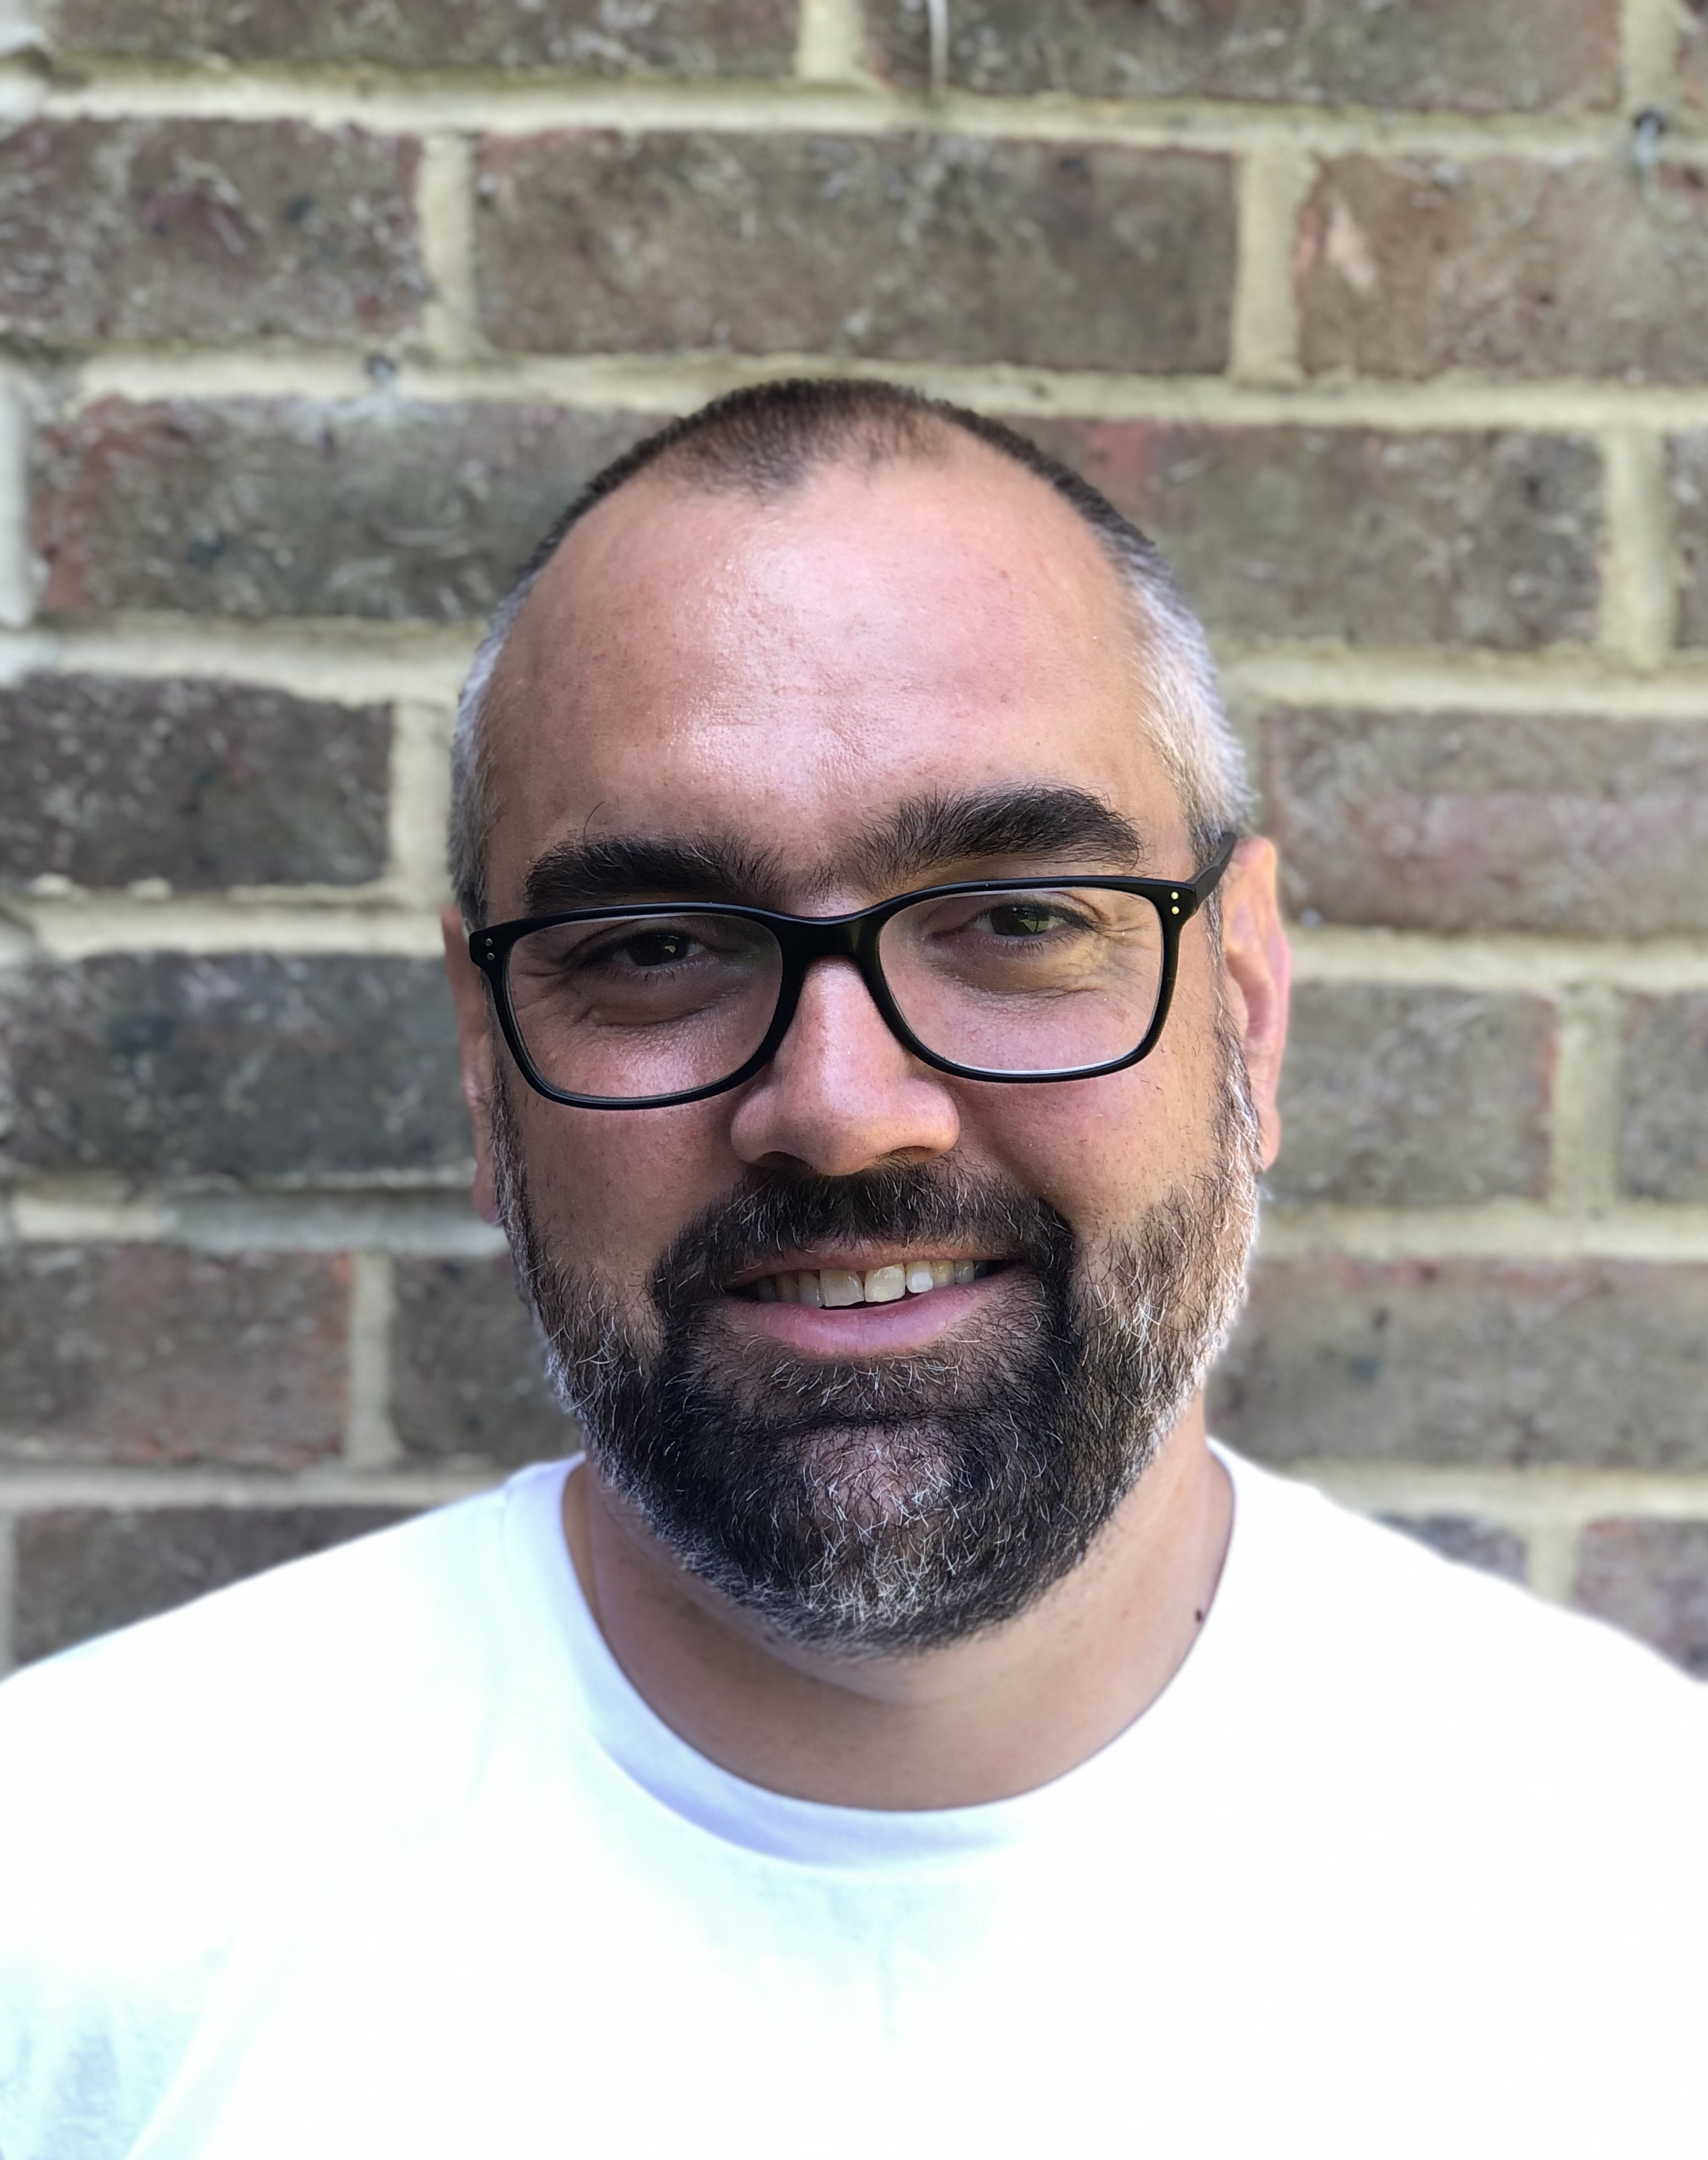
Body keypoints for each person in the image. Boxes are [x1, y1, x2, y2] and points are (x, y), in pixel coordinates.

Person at [1, 380, 1703, 2160]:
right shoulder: (75, 1918)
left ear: (1248, 1008)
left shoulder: (1644, 1906)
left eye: (1019, 917)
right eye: (655, 943)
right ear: (482, 1064)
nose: (839, 1110)